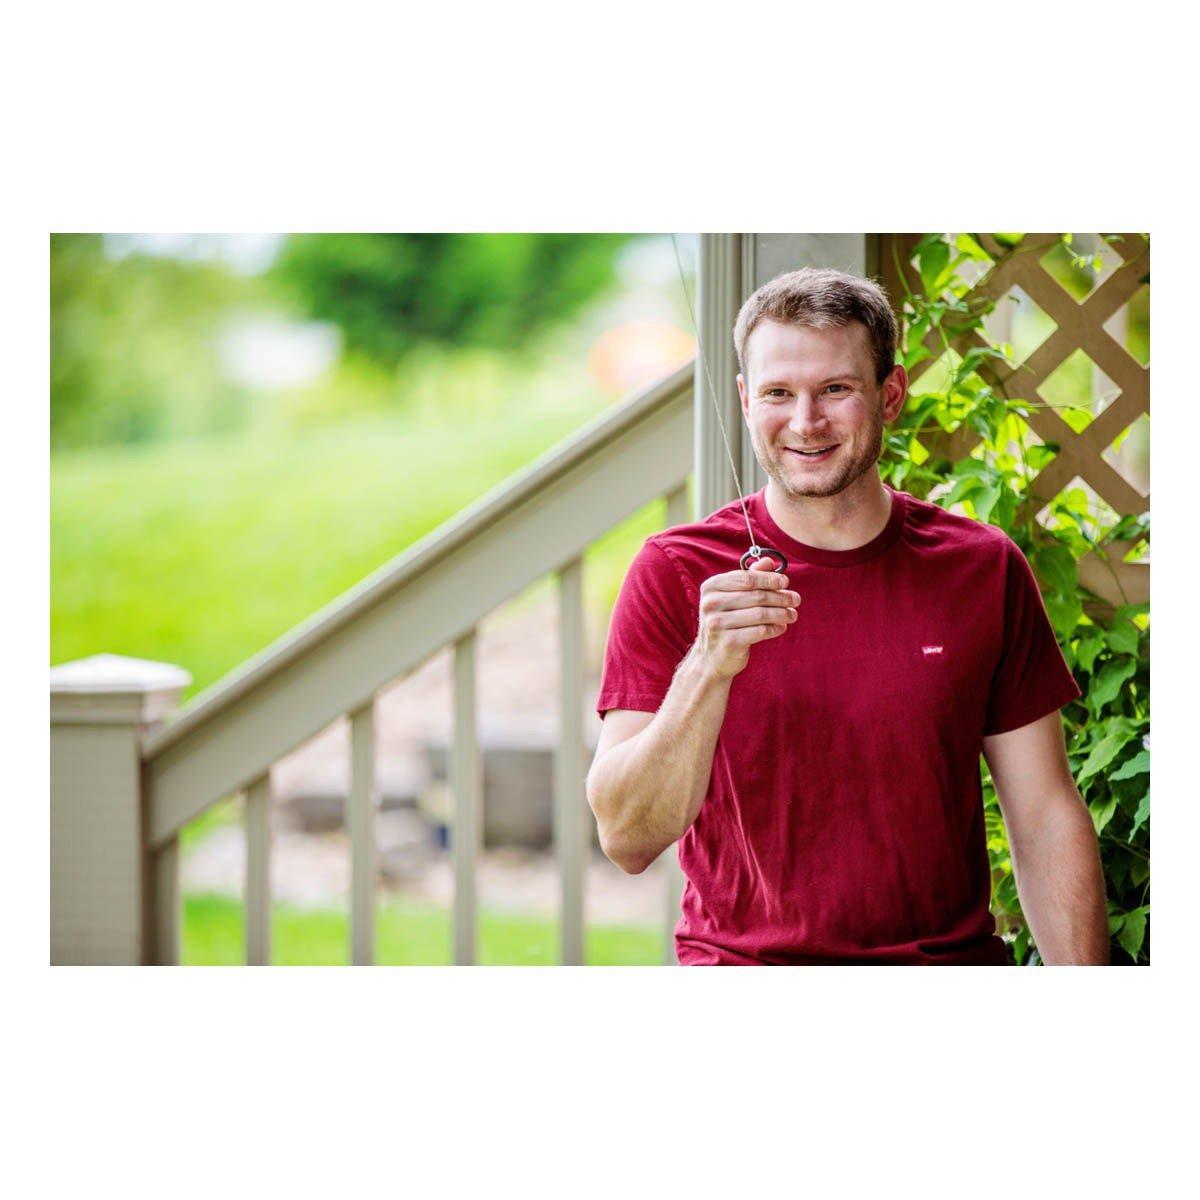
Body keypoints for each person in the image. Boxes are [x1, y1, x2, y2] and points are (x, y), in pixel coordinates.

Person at [586, 267, 1110, 966]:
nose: (806, 422)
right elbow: (627, 838)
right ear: (744, 400)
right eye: (778, 393)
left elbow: (1044, 816)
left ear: (890, 395)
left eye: (835, 389)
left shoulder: (982, 567)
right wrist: (707, 665)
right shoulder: (677, 572)